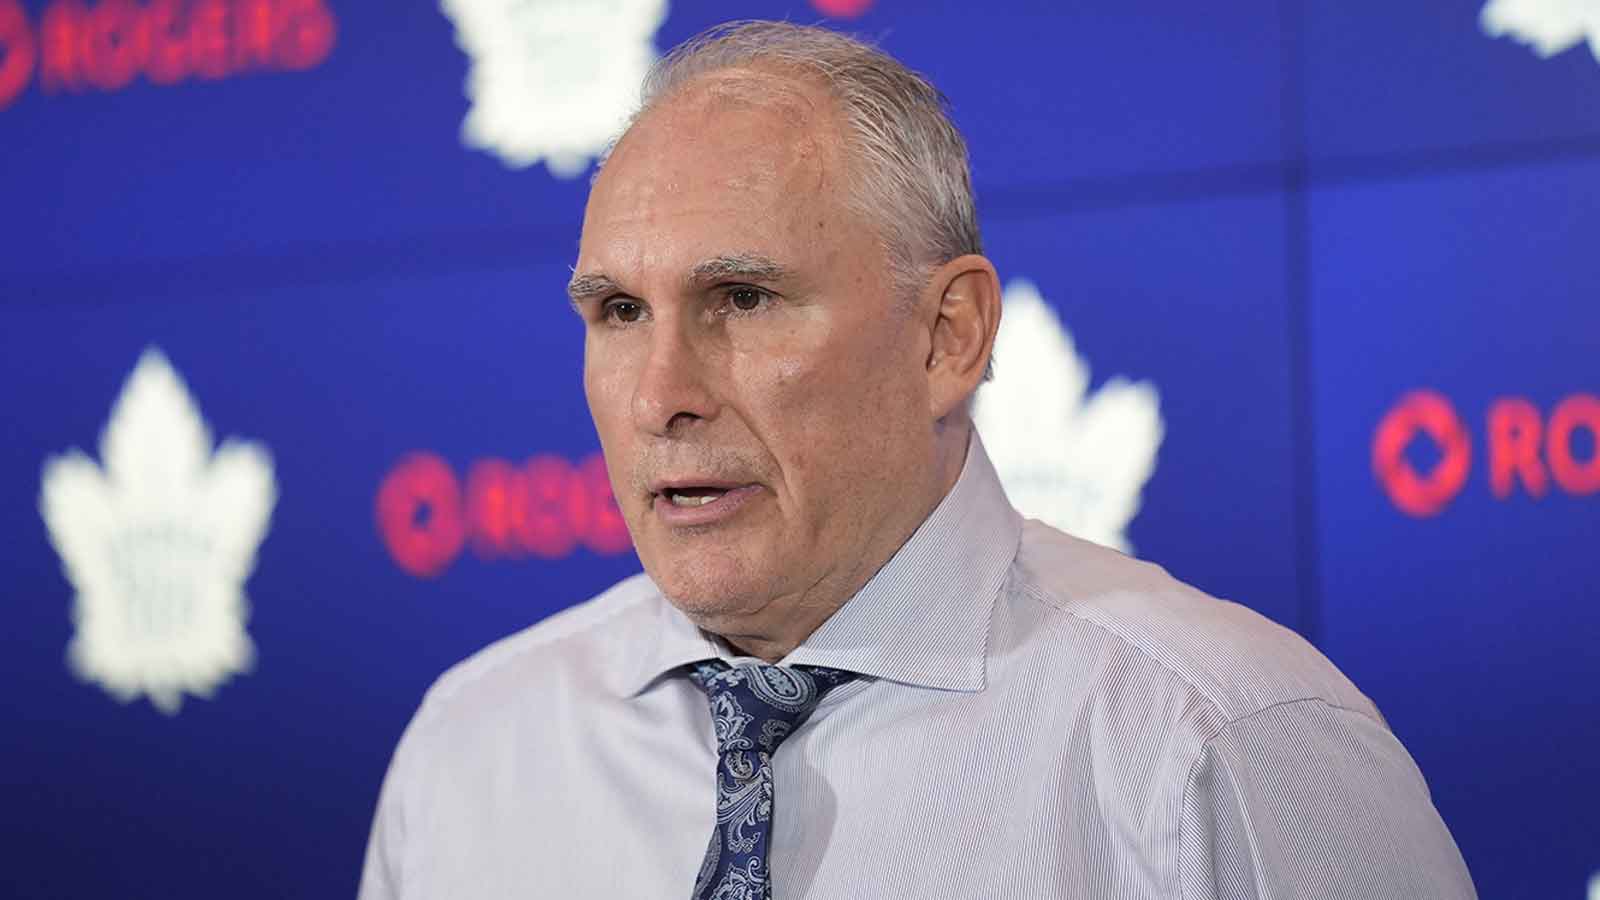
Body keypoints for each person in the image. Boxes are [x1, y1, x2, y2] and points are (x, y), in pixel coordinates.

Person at [359, 20, 1476, 899]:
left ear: (949, 336)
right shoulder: (474, 745)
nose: (661, 397)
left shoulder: (1218, 746)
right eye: (615, 313)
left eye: (741, 299)